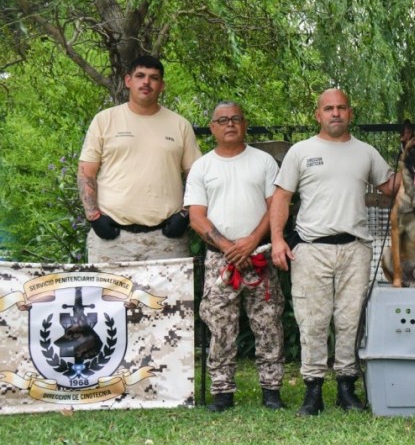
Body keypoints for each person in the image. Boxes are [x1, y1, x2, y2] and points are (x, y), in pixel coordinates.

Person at [270, 88, 398, 416]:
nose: (336, 114)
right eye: (329, 109)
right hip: (311, 249)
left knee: (349, 319)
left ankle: (346, 387)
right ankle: (313, 390)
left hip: (355, 248)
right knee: (312, 320)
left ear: (350, 113)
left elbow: (390, 187)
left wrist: (414, 161)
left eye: (341, 108)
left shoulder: (366, 152)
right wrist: (278, 240)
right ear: (318, 114)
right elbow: (282, 198)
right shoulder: (301, 152)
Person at [185, 101, 286, 412]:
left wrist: (252, 240)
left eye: (236, 119)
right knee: (219, 326)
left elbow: (276, 207)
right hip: (220, 259)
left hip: (259, 255)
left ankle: (271, 390)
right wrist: (229, 246)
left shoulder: (264, 162)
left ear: (245, 125)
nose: (230, 124)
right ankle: (222, 392)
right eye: (222, 120)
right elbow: (196, 216)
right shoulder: (203, 166)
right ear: (213, 128)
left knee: (268, 323)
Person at [77, 55, 201, 263]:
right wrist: (94, 217)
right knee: (111, 296)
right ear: (128, 81)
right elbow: (85, 172)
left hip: (166, 240)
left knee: (167, 298)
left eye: (153, 78)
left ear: (162, 85)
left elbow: (197, 176)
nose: (146, 82)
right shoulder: (104, 120)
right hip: (112, 240)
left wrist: (185, 215)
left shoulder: (180, 125)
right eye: (140, 76)